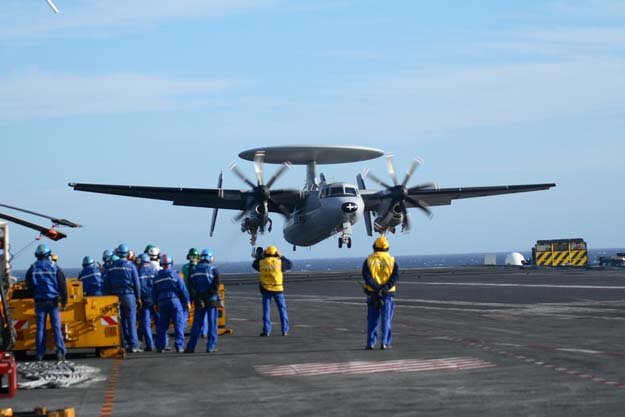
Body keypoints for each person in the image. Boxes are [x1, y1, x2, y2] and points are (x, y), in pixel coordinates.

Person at [25, 244, 67, 361]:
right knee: (56, 327)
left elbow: (29, 284)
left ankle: (39, 354)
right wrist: (64, 300)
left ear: (37, 255)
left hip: (39, 302)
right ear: (49, 254)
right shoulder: (55, 267)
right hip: (53, 302)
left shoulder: (32, 268)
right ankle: (60, 352)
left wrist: (35, 295)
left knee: (40, 328)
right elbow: (62, 285)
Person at [362, 235, 398, 350]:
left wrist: (377, 288)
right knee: (386, 319)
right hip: (387, 295)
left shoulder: (369, 259)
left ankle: (370, 343)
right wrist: (385, 287)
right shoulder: (392, 260)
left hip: (373, 294)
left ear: (374, 246)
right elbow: (395, 276)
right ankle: (385, 343)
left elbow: (366, 276)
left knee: (372, 319)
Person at [105, 243, 142, 353]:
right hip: (128, 295)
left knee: (119, 321)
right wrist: (138, 297)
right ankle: (134, 345)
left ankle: (122, 343)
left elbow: (106, 283)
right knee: (131, 320)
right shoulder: (131, 266)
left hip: (115, 296)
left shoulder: (111, 267)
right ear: (127, 254)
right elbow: (136, 283)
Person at [185, 249, 220, 353]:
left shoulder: (194, 270)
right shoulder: (214, 269)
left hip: (199, 300)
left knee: (197, 324)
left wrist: (199, 298)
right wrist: (206, 296)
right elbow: (215, 286)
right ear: (210, 258)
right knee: (212, 324)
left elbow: (191, 287)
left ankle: (191, 347)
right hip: (211, 300)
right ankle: (211, 347)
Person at [152, 254, 189, 353]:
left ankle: (160, 346)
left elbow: (153, 292)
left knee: (162, 326)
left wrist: (155, 303)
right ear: (170, 263)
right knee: (178, 324)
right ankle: (179, 346)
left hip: (161, 302)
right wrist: (187, 301)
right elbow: (183, 290)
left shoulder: (157, 276)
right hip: (174, 301)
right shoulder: (175, 275)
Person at [252, 245, 292, 337]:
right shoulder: (279, 262)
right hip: (278, 289)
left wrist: (261, 256)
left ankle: (266, 331)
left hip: (266, 289)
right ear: (275, 253)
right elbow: (290, 264)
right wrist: (281, 256)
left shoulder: (262, 262)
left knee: (266, 310)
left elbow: (254, 264)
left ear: (265, 253)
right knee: (282, 310)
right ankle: (285, 330)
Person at [182, 248, 207, 338]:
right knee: (200, 313)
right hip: (197, 293)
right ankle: (202, 331)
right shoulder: (198, 268)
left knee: (185, 313)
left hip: (187, 293)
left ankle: (181, 331)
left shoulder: (184, 267)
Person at [136, 253, 158, 351]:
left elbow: (137, 287)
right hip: (155, 299)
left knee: (146, 323)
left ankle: (150, 344)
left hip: (144, 301)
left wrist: (138, 298)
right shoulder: (154, 269)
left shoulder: (139, 271)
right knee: (160, 322)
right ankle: (164, 344)